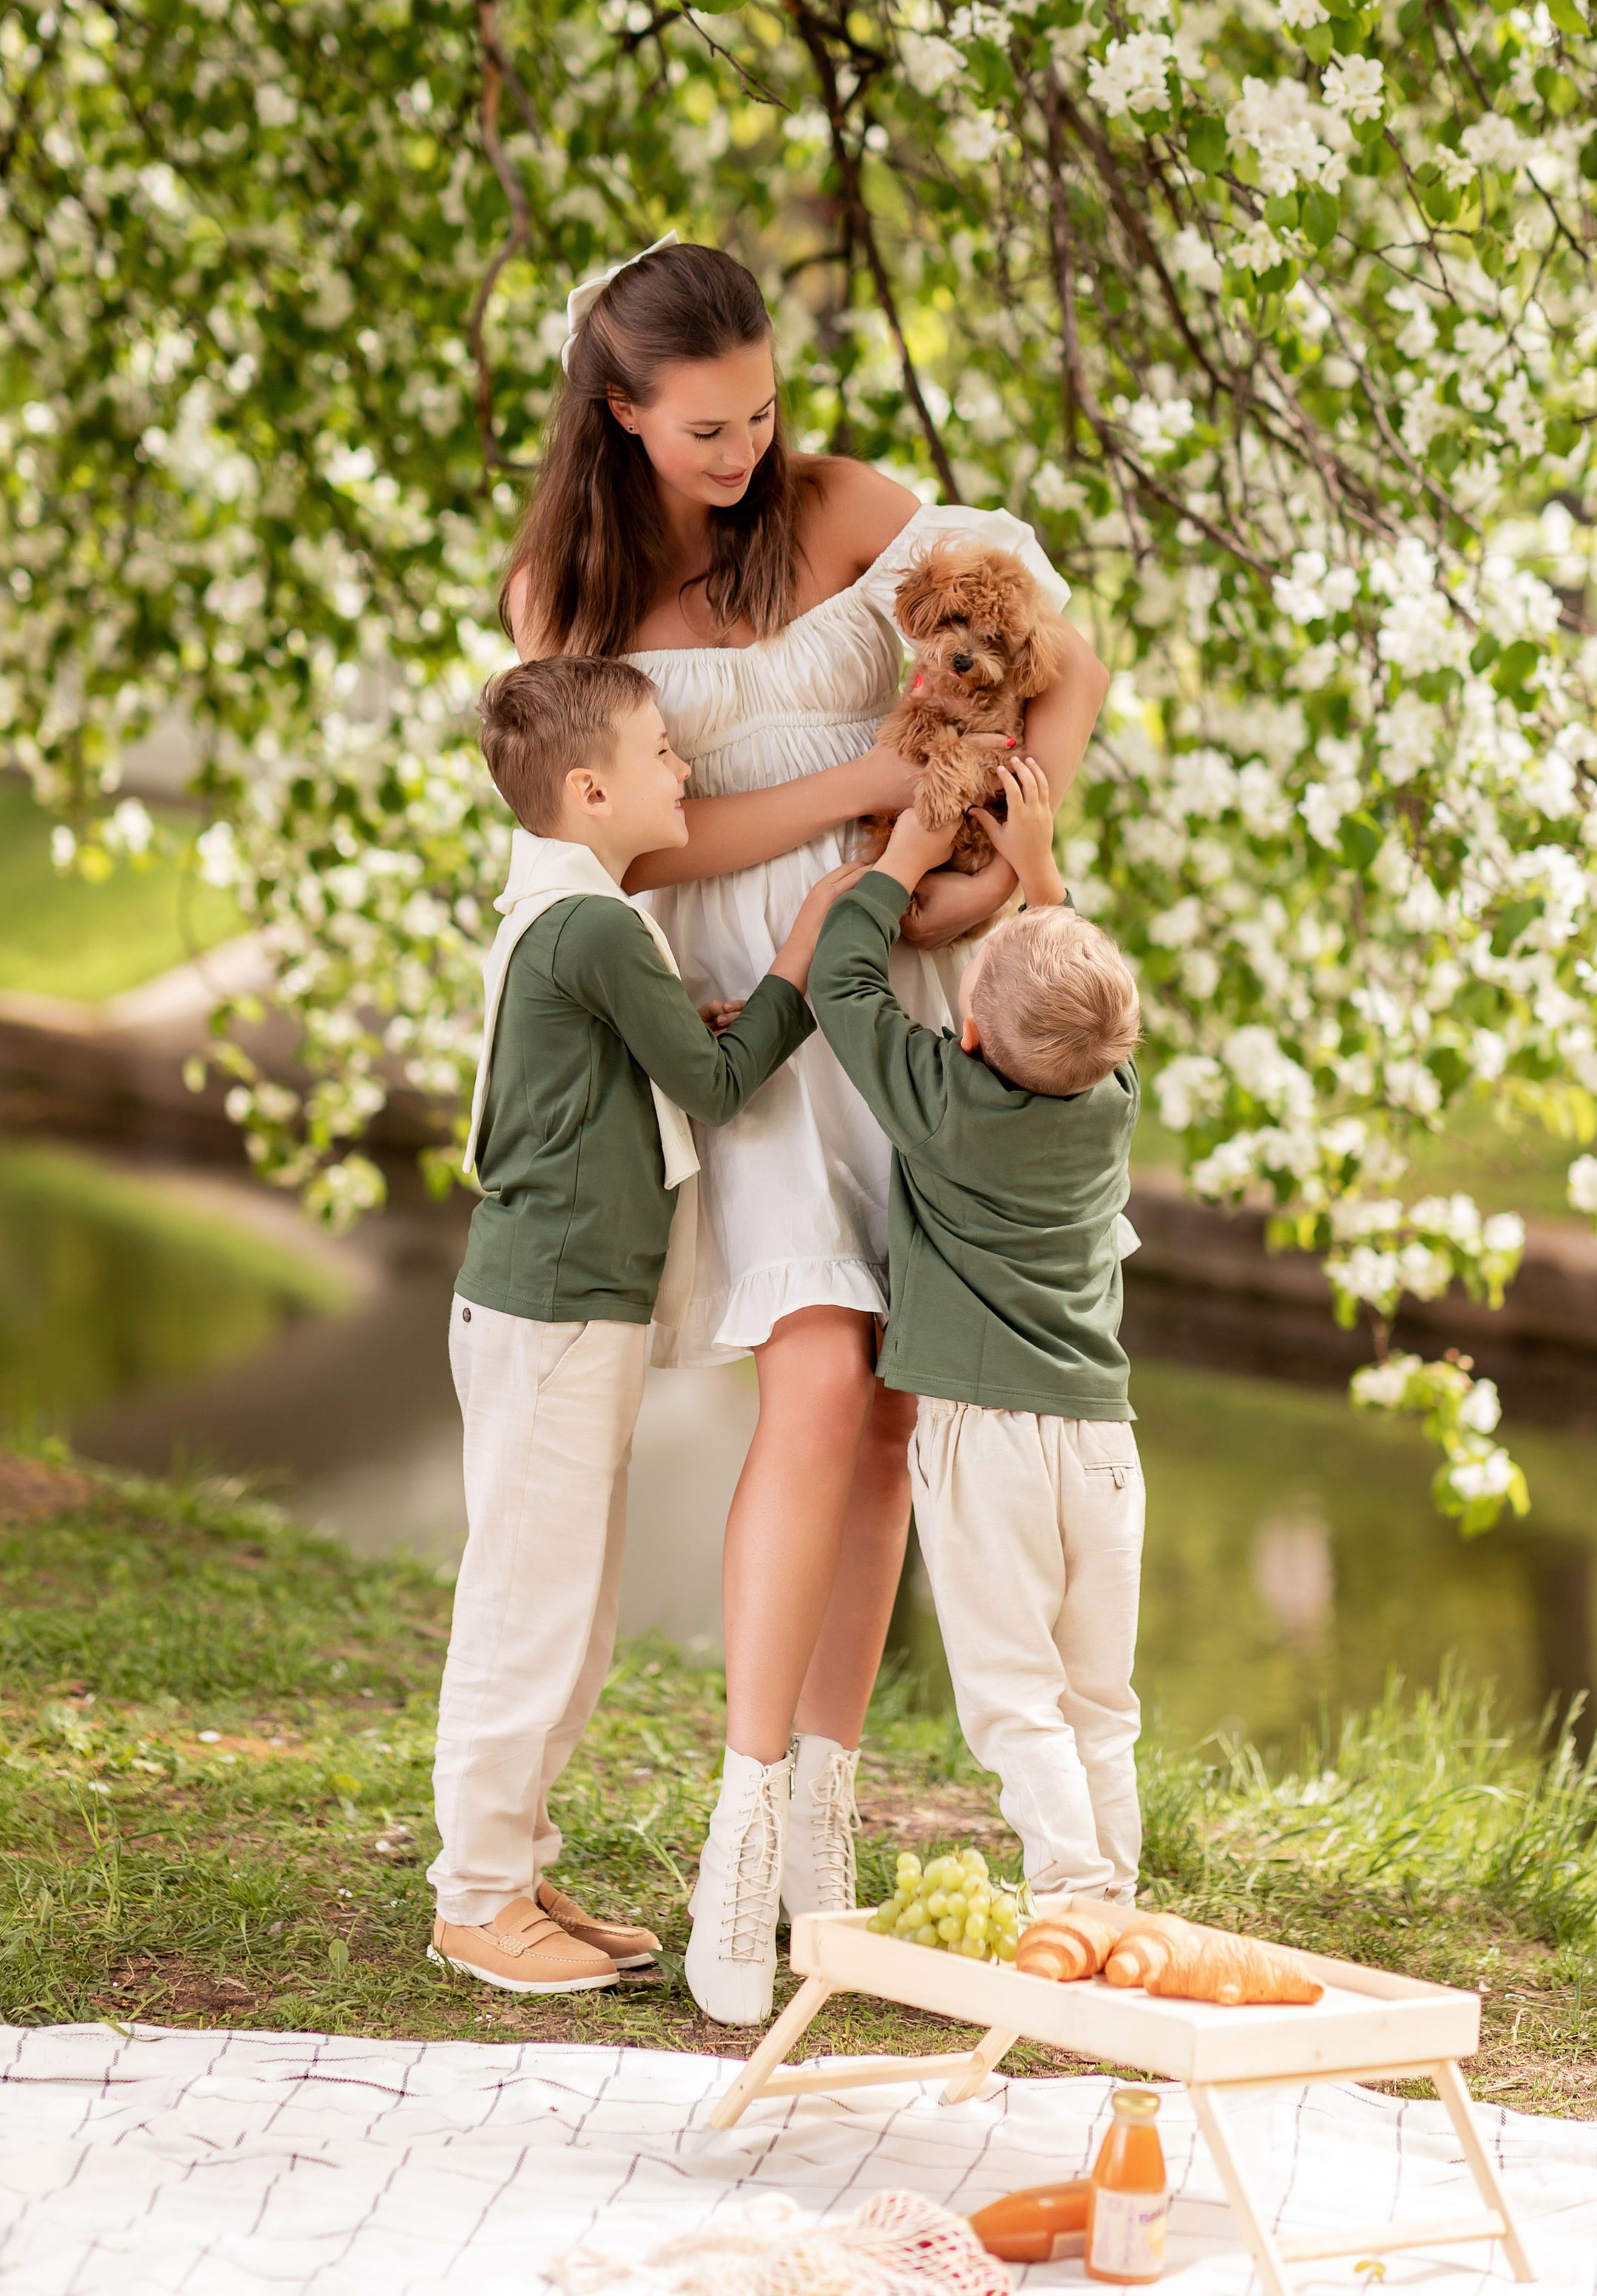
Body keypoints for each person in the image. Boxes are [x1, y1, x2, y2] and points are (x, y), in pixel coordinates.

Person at [502, 237, 1109, 2022]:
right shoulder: (566, 587)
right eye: (704, 427)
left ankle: (827, 1816)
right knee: (821, 1369)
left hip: (902, 969)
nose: (744, 451)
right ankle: (744, 1815)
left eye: (760, 412)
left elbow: (1063, 662)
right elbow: (637, 841)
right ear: (617, 411)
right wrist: (866, 782)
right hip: (750, 1004)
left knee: (896, 1400)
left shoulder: (848, 505)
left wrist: (1002, 841)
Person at [429, 653, 859, 1994]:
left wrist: (686, 1024)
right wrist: (805, 948)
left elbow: (623, 1066)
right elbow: (719, 1089)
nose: (685, 768)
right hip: (553, 1311)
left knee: (572, 1613)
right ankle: (475, 1899)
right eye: (662, 751)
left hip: (567, 1309)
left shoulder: (577, 916)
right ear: (590, 789)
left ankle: (514, 1868)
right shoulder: (601, 927)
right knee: (529, 1611)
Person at [807, 755, 1147, 1906]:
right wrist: (1039, 870)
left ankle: (1071, 1892)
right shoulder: (1108, 1105)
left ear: (967, 1027)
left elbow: (840, 984)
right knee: (1098, 1698)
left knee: (1011, 1695)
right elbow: (1081, 1012)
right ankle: (1113, 1902)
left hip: (985, 1437)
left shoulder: (943, 1104)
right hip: (1103, 1445)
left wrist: (897, 861)